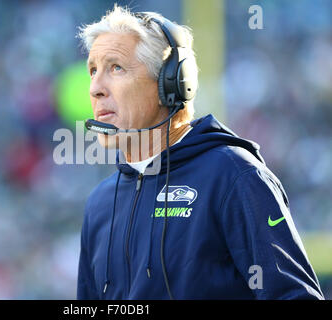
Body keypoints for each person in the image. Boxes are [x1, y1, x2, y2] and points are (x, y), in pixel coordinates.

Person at [76, 5, 324, 300]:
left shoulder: (234, 176)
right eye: (93, 70)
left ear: (170, 83)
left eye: (115, 67)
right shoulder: (101, 203)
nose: (95, 88)